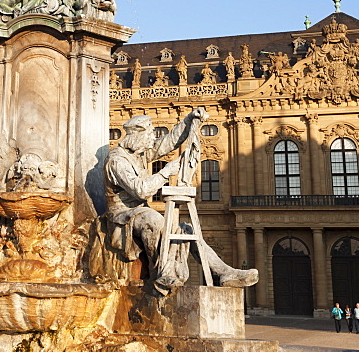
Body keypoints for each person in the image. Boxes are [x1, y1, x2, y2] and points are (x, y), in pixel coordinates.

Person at [103, 112, 259, 294]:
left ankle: (225, 273)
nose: (153, 139)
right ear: (138, 135)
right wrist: (165, 172)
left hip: (139, 212)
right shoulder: (117, 160)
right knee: (154, 219)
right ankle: (164, 275)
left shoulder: (139, 154)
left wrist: (189, 120)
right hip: (121, 215)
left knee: (187, 230)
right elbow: (141, 190)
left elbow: (168, 142)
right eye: (150, 135)